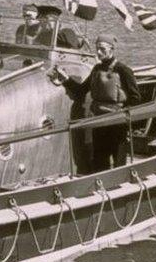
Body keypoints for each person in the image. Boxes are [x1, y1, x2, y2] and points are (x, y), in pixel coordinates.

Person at [48, 34, 141, 173]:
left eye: (102, 49)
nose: (98, 52)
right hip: (99, 121)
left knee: (118, 162)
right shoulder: (96, 69)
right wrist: (65, 79)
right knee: (99, 162)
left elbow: (136, 98)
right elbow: (80, 91)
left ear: (112, 49)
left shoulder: (123, 70)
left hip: (117, 124)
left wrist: (125, 119)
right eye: (97, 48)